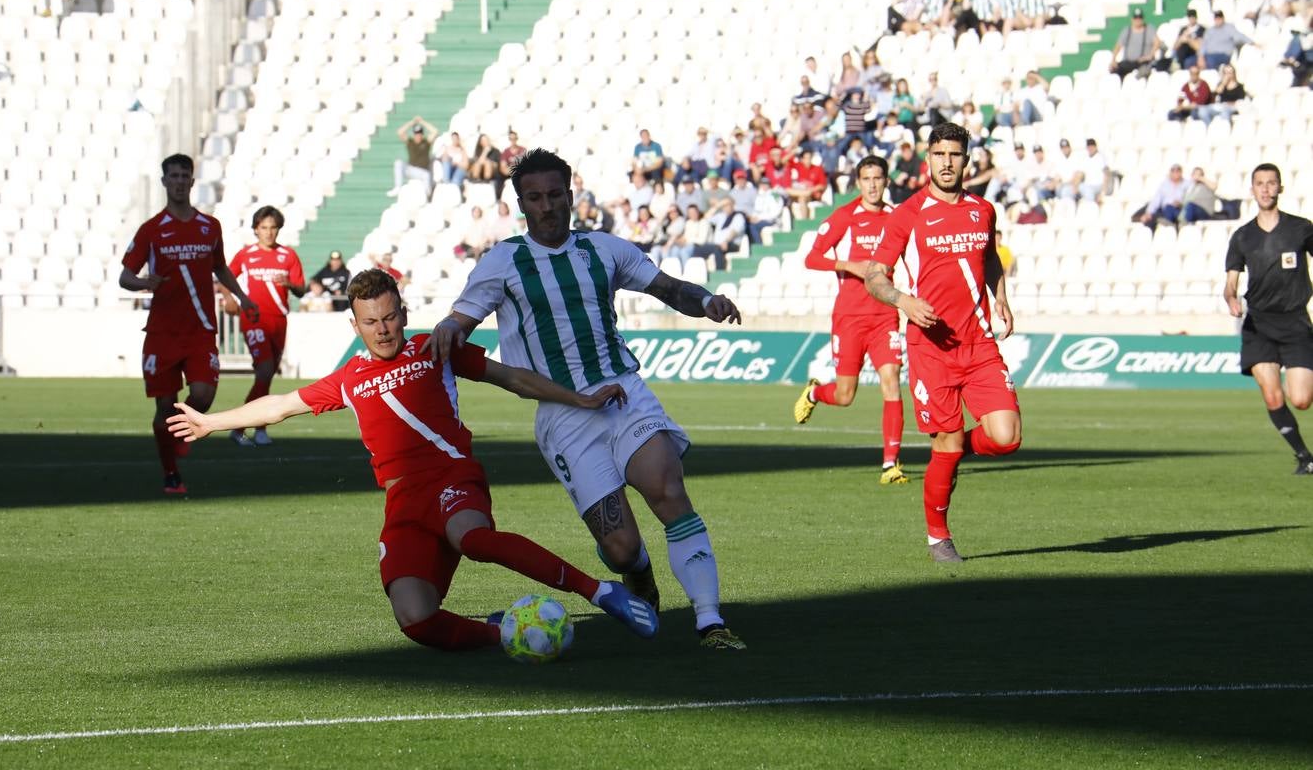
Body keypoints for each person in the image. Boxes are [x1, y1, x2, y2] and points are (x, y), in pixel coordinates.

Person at [167, 269, 660, 651]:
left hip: (452, 475)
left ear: (402, 312)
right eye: (370, 321)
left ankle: (600, 593)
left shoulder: (434, 347)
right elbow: (279, 405)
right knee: (417, 620)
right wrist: (211, 423)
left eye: (389, 317)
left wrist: (580, 399)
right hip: (403, 500)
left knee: (472, 538)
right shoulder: (348, 379)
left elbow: (509, 377)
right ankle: (504, 635)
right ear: (354, 323)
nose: (382, 330)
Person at [422, 149, 747, 650]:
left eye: (555, 195)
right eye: (535, 197)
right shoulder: (503, 261)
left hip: (623, 393)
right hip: (563, 415)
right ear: (521, 203)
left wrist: (705, 302)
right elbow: (461, 320)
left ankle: (710, 621)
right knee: (621, 547)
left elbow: (667, 287)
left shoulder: (603, 248)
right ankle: (637, 573)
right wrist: (446, 328)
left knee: (667, 487)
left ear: (571, 196)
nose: (547, 206)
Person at [864, 122, 1021, 562]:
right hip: (930, 348)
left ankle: (947, 453)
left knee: (1006, 438)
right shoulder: (908, 214)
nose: (947, 163)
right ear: (927, 158)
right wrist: (903, 301)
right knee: (948, 444)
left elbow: (989, 257)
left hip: (979, 342)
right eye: (939, 155)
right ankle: (938, 536)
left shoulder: (983, 210)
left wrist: (1001, 299)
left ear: (967, 160)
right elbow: (876, 275)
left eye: (955, 155)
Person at [119, 153, 259, 495]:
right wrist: (144, 283)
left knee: (203, 394)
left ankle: (181, 433)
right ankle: (171, 474)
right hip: (162, 333)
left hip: (200, 329)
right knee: (164, 406)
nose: (180, 181)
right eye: (174, 176)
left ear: (192, 182)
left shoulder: (210, 226)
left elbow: (220, 267)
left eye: (185, 175)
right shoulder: (151, 230)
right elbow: (125, 277)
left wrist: (242, 296)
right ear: (165, 182)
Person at [794, 155, 910, 484]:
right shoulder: (845, 217)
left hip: (885, 315)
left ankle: (891, 465)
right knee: (845, 395)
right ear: (858, 183)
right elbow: (812, 258)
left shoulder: (897, 217)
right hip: (850, 318)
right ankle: (815, 393)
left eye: (878, 178)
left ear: (886, 181)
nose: (873, 184)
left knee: (892, 385)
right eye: (866, 178)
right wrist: (849, 265)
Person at [1222, 163, 1313, 475]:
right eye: (1259, 183)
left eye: (1271, 183)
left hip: (1295, 322)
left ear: (1280, 188)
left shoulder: (1301, 229)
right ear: (1252, 190)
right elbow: (1231, 281)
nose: (1265, 188)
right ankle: (1305, 457)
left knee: (1301, 400)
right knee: (1273, 395)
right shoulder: (1243, 237)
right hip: (1258, 325)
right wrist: (1231, 297)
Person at [221, 205, 305, 447]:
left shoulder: (288, 255)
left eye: (273, 228)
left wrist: (289, 282)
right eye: (263, 228)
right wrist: (227, 298)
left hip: (279, 320)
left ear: (278, 229)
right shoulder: (246, 254)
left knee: (265, 377)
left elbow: (301, 288)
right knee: (265, 371)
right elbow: (225, 275)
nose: (268, 232)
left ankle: (258, 428)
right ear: (256, 230)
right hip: (254, 319)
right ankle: (240, 427)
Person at [1109, 8, 1165, 78]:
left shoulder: (1149, 29)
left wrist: (1150, 55)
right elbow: (1118, 46)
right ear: (1132, 19)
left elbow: (1157, 42)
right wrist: (1113, 60)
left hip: (1142, 62)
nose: (1138, 20)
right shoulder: (1127, 30)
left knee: (1142, 73)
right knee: (1115, 71)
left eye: (1140, 18)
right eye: (1136, 18)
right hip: (1128, 62)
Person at [391, 116, 437, 197]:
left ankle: (427, 194)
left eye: (419, 133)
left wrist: (422, 122)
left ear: (422, 134)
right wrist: (412, 122)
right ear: (414, 134)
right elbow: (399, 132)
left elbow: (435, 132)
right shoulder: (410, 142)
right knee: (398, 163)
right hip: (412, 169)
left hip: (423, 171)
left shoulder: (426, 142)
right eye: (416, 133)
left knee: (426, 176)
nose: (418, 135)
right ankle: (398, 187)